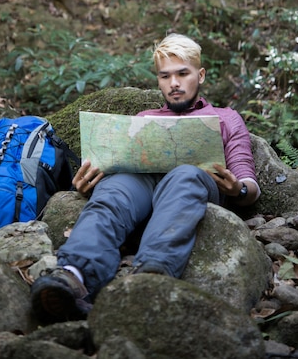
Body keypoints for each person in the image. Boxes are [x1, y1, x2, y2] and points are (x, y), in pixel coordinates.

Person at [30, 33, 260, 322]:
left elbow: (249, 184)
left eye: (182, 74)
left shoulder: (225, 117)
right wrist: (88, 182)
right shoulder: (143, 118)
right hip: (142, 185)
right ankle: (73, 276)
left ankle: (150, 277)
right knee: (115, 187)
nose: (173, 84)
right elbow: (116, 169)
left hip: (193, 183)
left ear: (200, 75)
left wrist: (237, 189)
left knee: (185, 175)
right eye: (165, 76)